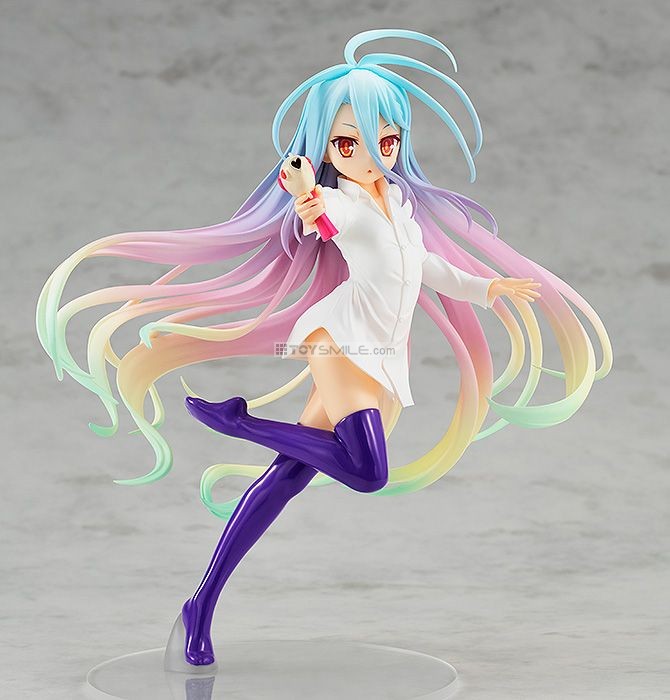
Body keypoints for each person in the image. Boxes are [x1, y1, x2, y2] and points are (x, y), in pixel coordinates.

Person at [35, 29, 612, 670]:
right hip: (340, 340)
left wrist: (487, 288)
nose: (369, 156)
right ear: (327, 148)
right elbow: (323, 222)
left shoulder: (398, 202)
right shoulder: (339, 201)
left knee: (287, 477)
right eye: (347, 143)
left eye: (385, 142)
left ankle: (199, 607)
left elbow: (425, 268)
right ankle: (240, 422)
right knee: (367, 472)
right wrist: (306, 192)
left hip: (382, 355)